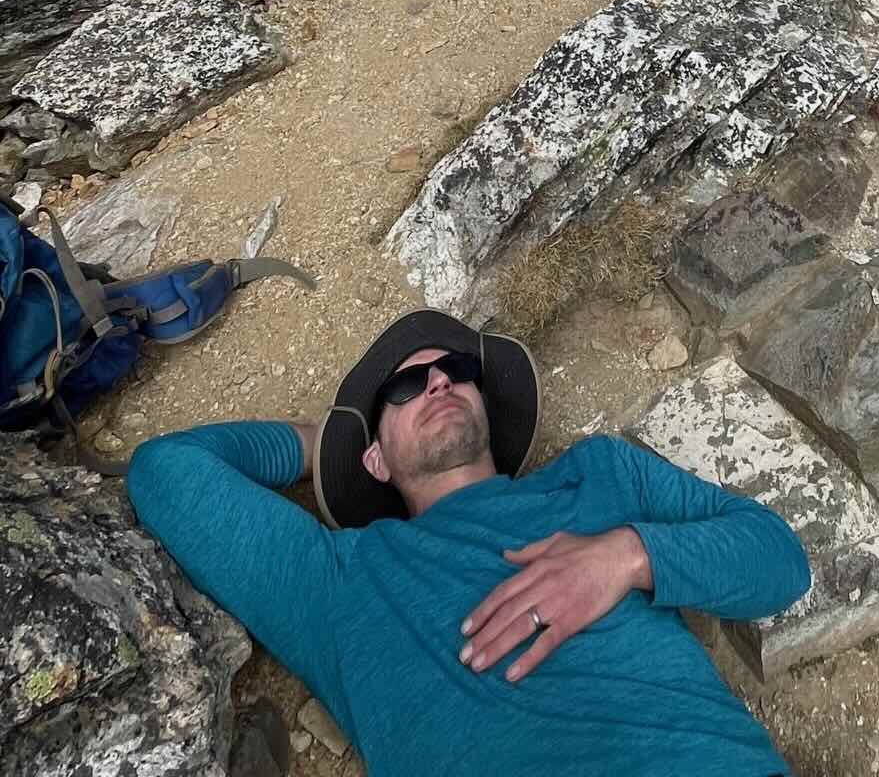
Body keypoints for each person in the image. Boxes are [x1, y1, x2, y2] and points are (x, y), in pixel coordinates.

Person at [126, 307, 810, 777]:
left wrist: (627, 556)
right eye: (404, 387)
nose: (439, 380)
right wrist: (318, 446)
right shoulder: (341, 581)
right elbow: (167, 471)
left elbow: (780, 562)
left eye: (456, 369)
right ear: (375, 460)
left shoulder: (600, 474)